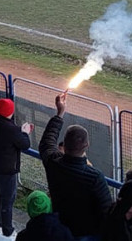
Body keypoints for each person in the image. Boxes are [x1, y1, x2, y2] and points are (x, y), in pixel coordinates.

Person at [39, 93, 112, 241]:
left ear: (64, 145)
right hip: (86, 234)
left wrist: (60, 113)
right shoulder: (95, 177)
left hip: (60, 227)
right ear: (87, 145)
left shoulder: (53, 162)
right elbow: (106, 211)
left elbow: (47, 141)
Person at [0, 99, 33, 238]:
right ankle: (7, 231)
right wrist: (25, 132)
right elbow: (25, 144)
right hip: (5, 171)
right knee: (7, 201)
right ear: (12, 111)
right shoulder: (13, 130)